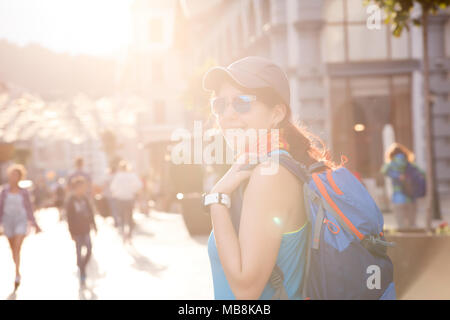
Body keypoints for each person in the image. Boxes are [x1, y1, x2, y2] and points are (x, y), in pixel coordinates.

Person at [202, 56, 338, 299]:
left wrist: (216, 199)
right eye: (220, 105)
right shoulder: (258, 169)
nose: (227, 114)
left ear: (276, 114)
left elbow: (246, 290)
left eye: (243, 103)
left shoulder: (271, 175)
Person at [0, 164, 41, 292]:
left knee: (18, 245)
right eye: (12, 174)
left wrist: (35, 224)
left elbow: (29, 209)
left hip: (21, 221)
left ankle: (17, 273)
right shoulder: (4, 191)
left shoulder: (24, 192)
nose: (14, 177)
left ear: (20, 177)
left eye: (16, 175)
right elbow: (0, 208)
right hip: (8, 221)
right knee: (13, 249)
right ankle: (16, 268)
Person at [66, 176, 97, 286]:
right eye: (79, 187)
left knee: (89, 249)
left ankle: (82, 265)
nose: (81, 189)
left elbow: (91, 212)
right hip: (76, 230)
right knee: (78, 250)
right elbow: (69, 217)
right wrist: (71, 232)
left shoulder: (85, 199)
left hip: (86, 228)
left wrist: (94, 225)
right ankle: (82, 271)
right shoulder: (71, 201)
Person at [381, 142, 421, 229]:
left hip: (398, 195)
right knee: (412, 223)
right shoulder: (409, 163)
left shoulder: (391, 163)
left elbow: (383, 171)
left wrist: (395, 175)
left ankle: (403, 233)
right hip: (410, 195)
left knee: (401, 223)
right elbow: (421, 172)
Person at [110, 161, 142, 243]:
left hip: (120, 198)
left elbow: (113, 187)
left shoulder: (118, 176)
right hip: (130, 198)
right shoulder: (132, 175)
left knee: (121, 217)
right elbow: (139, 185)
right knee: (130, 217)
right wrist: (133, 191)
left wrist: (116, 193)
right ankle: (129, 234)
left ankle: (123, 233)